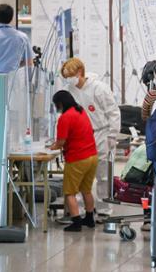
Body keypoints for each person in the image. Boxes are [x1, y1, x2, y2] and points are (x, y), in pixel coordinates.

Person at [61, 57, 121, 220]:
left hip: (101, 133)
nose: (68, 79)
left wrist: (112, 135)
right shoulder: (69, 91)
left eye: (70, 75)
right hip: (79, 137)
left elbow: (113, 112)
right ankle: (79, 210)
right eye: (65, 77)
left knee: (103, 174)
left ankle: (104, 209)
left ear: (80, 72)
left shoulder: (99, 88)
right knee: (78, 174)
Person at [49, 90, 99, 232]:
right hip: (92, 156)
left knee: (70, 192)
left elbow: (60, 142)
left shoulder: (65, 117)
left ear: (60, 103)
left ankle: (76, 222)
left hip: (78, 158)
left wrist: (51, 147)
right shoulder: (81, 111)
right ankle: (89, 219)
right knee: (86, 190)